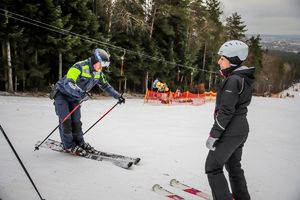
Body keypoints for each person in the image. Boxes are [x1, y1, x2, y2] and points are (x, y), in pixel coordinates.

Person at [205, 40, 255, 200]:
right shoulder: (242, 78)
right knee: (233, 166)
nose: (219, 61)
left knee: (212, 167)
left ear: (233, 60)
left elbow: (226, 111)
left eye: (222, 58)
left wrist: (214, 135)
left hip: (231, 130)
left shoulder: (233, 80)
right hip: (240, 129)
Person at [52, 48, 125, 155]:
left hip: (75, 98)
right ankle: (69, 146)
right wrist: (80, 92)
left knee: (76, 122)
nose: (101, 68)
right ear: (95, 60)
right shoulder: (80, 66)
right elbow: (69, 82)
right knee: (66, 121)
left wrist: (117, 96)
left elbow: (105, 86)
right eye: (100, 64)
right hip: (62, 95)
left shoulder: (98, 73)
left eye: (104, 66)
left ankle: (80, 143)